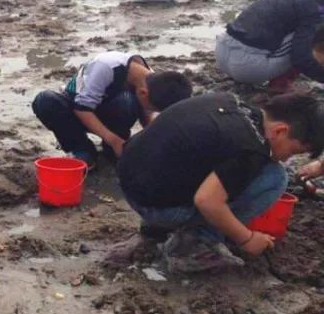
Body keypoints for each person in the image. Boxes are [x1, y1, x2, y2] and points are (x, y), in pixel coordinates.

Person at [116, 92, 324, 273]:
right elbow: (207, 201)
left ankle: (157, 226)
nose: (287, 159)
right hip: (155, 205)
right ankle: (194, 244)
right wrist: (247, 238)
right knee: (275, 178)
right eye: (294, 152)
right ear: (280, 130)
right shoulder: (250, 149)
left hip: (131, 179)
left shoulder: (229, 101)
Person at [32, 52, 191, 169]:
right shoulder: (106, 66)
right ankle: (82, 149)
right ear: (143, 93)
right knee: (45, 100)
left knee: (127, 102)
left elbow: (147, 114)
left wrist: (156, 140)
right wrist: (113, 139)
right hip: (76, 111)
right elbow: (82, 109)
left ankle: (112, 150)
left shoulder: (152, 80)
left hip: (107, 111)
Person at [216, 0, 324, 88]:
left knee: (301, 33)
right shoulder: (315, 10)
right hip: (247, 67)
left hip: (222, 54)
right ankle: (281, 84)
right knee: (312, 37)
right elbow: (300, 57)